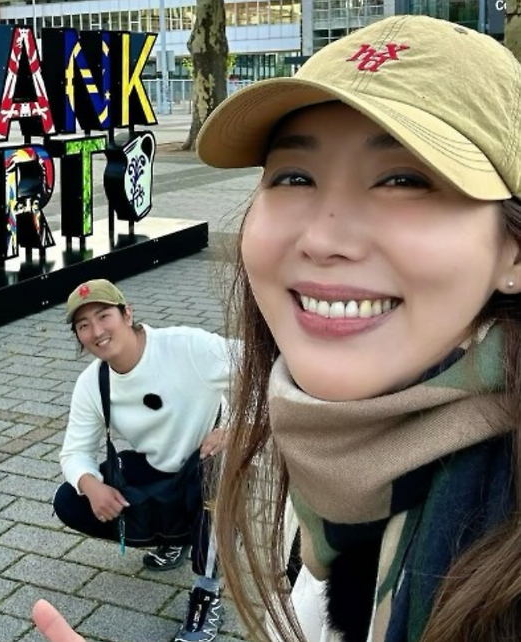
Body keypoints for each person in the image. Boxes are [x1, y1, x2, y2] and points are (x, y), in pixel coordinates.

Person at [193, 14, 521, 642]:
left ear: (513, 250)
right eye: (294, 177)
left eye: (404, 180)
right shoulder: (327, 454)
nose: (323, 240)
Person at [53, 278, 234, 642]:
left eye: (104, 316)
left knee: (215, 478)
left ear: (127, 314)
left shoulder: (186, 346)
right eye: (83, 325)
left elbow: (262, 368)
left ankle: (207, 592)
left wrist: (236, 428)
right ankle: (175, 536)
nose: (96, 332)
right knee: (70, 500)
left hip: (210, 461)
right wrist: (91, 486)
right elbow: (74, 453)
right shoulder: (93, 383)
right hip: (159, 466)